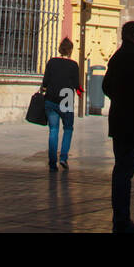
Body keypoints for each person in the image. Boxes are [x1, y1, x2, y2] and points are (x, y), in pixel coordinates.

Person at [102, 21, 134, 233]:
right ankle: (122, 220)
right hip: (130, 123)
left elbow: (106, 86)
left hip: (120, 120)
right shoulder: (132, 57)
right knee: (124, 172)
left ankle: (120, 218)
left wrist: (119, 101)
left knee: (121, 170)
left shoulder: (118, 56)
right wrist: (133, 105)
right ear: (130, 37)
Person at [40, 37, 81, 171]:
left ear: (60, 49)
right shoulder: (73, 65)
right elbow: (77, 85)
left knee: (53, 130)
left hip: (51, 99)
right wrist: (80, 93)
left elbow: (45, 81)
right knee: (68, 128)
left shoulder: (52, 62)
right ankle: (63, 157)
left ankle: (52, 163)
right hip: (66, 99)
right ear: (70, 51)